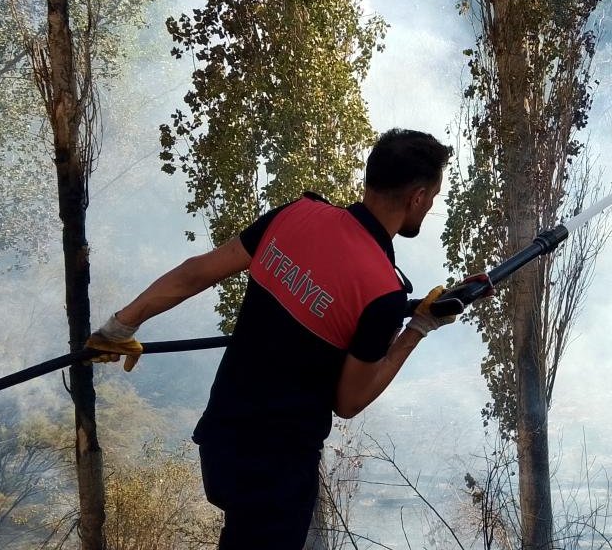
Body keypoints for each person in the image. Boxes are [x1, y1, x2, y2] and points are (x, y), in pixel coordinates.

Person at [86, 128, 487, 548]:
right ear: (418, 197)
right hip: (275, 473)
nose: (431, 206)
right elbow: (349, 402)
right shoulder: (383, 293)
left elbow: (195, 273)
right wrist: (418, 330)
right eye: (435, 197)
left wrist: (120, 326)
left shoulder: (296, 215)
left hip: (220, 443)